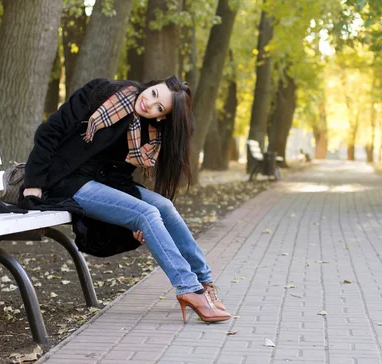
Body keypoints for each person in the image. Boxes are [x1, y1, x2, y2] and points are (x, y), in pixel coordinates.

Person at [21, 76, 231, 324]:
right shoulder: (101, 93)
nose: (149, 104)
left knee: (163, 206)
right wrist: (33, 184)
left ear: (162, 117)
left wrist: (129, 217)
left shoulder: (148, 132)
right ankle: (189, 289)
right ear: (151, 84)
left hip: (104, 185)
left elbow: (119, 177)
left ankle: (204, 281)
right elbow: (49, 131)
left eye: (159, 108)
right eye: (153, 94)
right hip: (65, 180)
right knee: (147, 213)